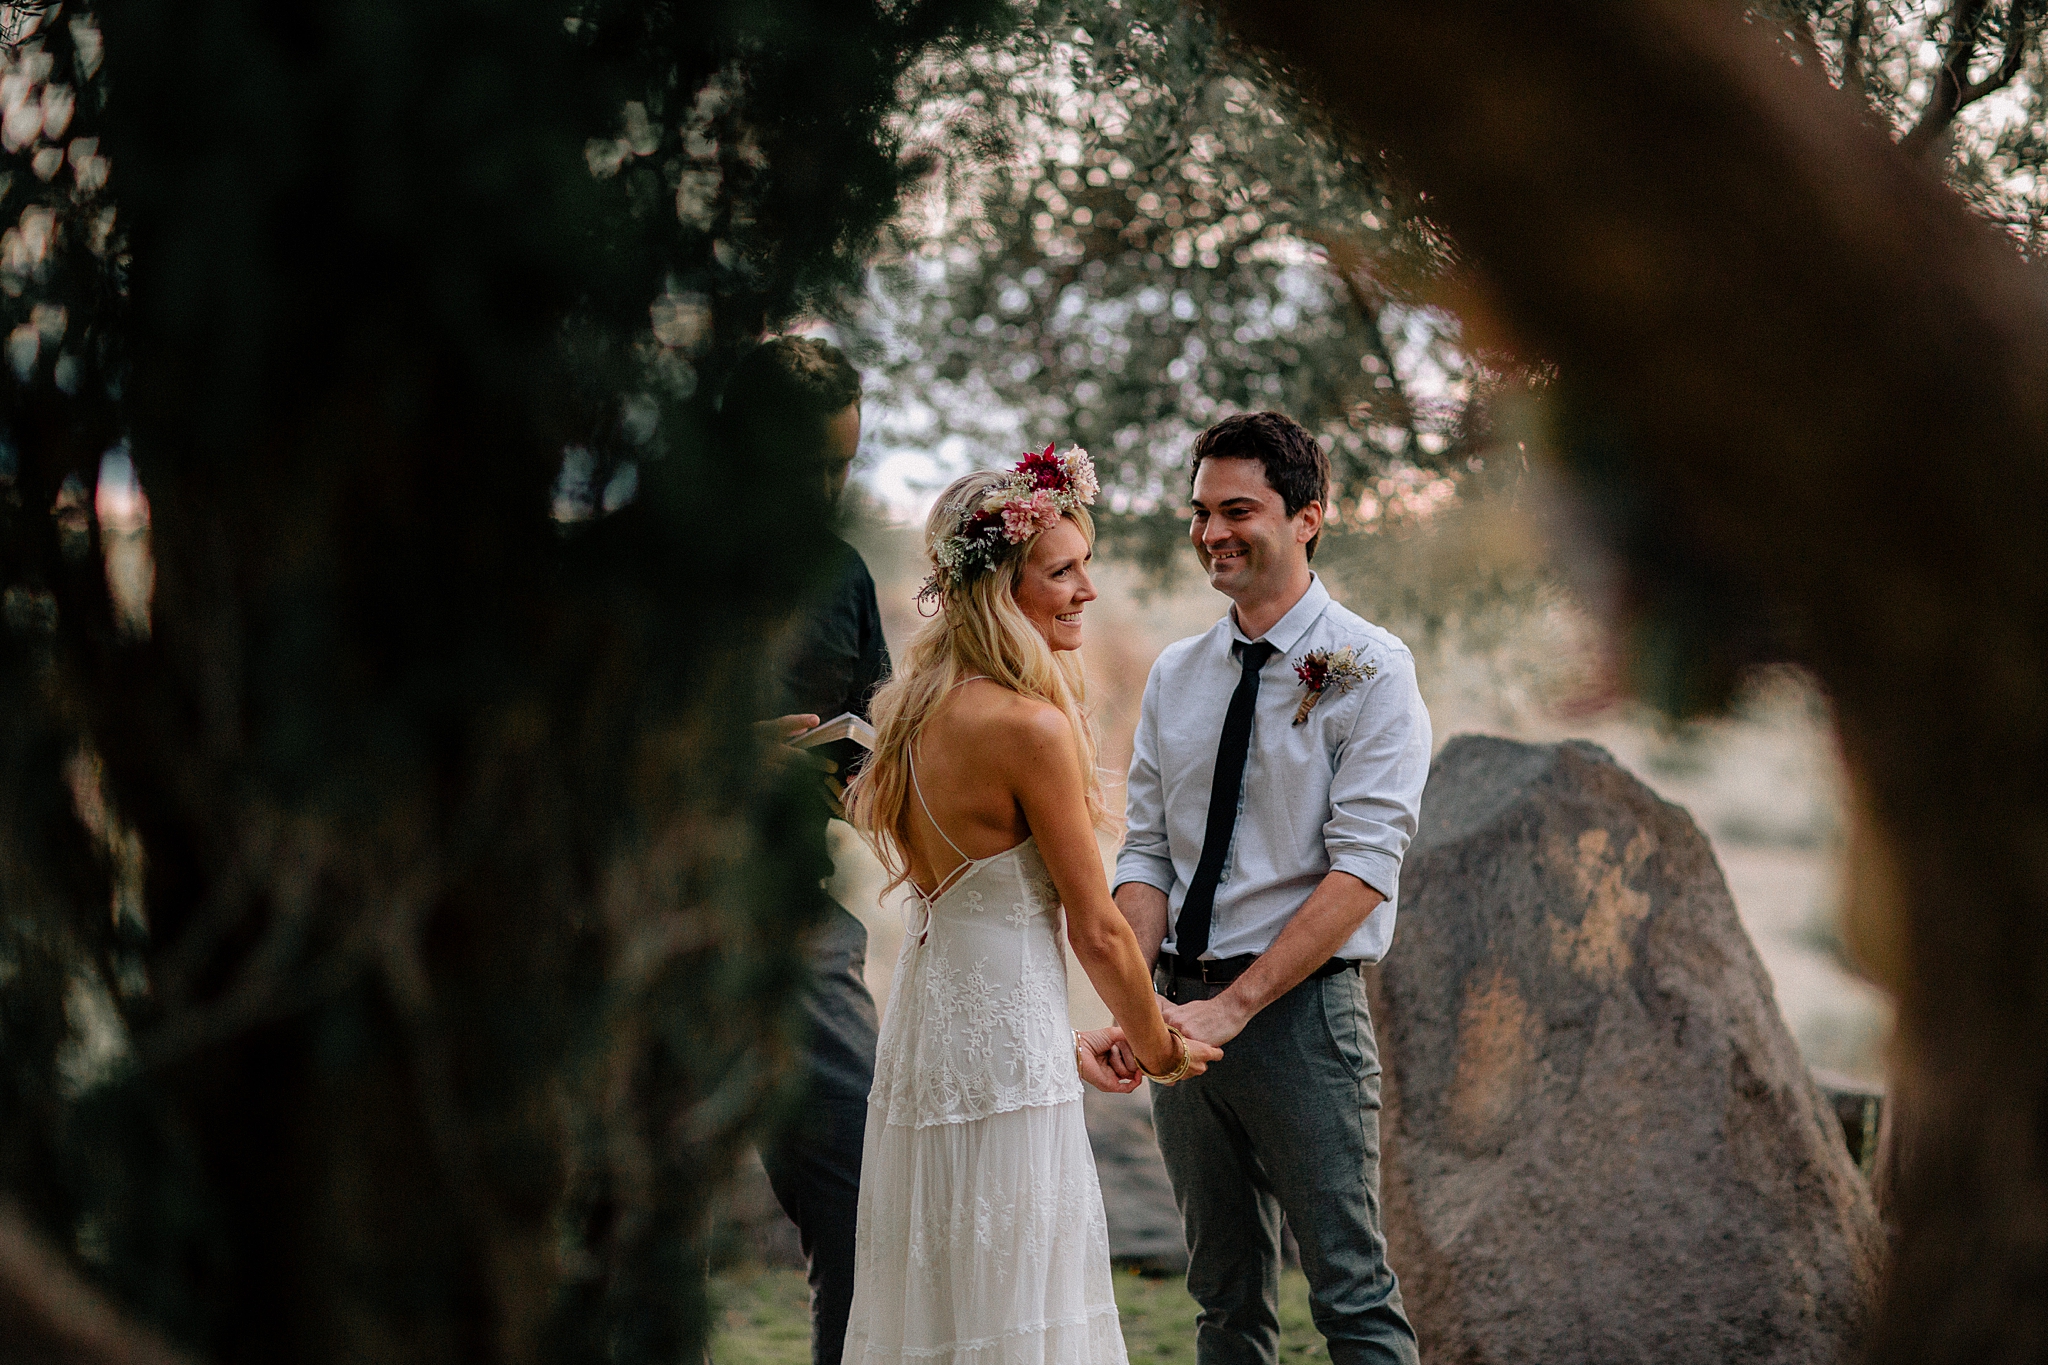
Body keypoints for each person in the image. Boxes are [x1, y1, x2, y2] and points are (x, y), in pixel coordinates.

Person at [841, 446, 1223, 1365]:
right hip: (1003, 1061)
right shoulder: (1029, 725)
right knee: (1020, 1295)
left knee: (942, 1291)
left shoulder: (911, 715)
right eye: (1062, 570)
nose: (1088, 589)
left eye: (1085, 562)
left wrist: (1061, 1037)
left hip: (932, 1034)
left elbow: (973, 916)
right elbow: (1094, 926)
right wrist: (1162, 1048)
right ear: (998, 589)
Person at [1113, 412, 1432, 1365]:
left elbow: (1366, 865)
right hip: (1177, 1014)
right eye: (1201, 512)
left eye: (1238, 509)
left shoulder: (1373, 667)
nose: (1213, 532)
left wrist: (1239, 1005)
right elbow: (1145, 854)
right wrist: (1140, 1003)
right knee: (1223, 1302)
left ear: (1308, 517)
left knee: (1351, 1295)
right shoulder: (1176, 674)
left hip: (1299, 1018)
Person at [730, 335, 888, 1365]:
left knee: (867, 1202)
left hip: (797, 931)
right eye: (805, 466)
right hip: (637, 928)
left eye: (842, 464)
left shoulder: (840, 575)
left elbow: (871, 728)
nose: (827, 489)